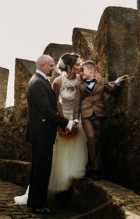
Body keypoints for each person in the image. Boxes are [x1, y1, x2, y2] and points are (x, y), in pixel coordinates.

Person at [25, 55, 78, 214]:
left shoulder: (38, 80)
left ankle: (34, 202)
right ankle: (38, 205)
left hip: (40, 134)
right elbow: (46, 111)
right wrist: (66, 123)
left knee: (39, 170)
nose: (53, 68)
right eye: (50, 65)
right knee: (41, 170)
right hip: (41, 135)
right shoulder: (38, 83)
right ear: (41, 65)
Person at [73, 61, 128, 180]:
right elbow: (76, 103)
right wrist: (76, 119)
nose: (80, 72)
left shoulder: (101, 81)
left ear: (91, 71)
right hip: (86, 115)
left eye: (83, 70)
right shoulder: (79, 85)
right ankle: (96, 168)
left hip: (99, 114)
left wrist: (117, 82)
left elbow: (112, 92)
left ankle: (90, 168)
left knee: (96, 141)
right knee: (91, 138)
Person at [48, 53, 88, 192]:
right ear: (69, 67)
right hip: (64, 117)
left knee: (78, 148)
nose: (80, 66)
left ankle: (74, 181)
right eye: (77, 64)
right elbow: (56, 102)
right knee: (63, 150)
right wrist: (64, 121)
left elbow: (96, 81)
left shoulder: (80, 79)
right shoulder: (58, 82)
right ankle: (62, 183)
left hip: (78, 118)